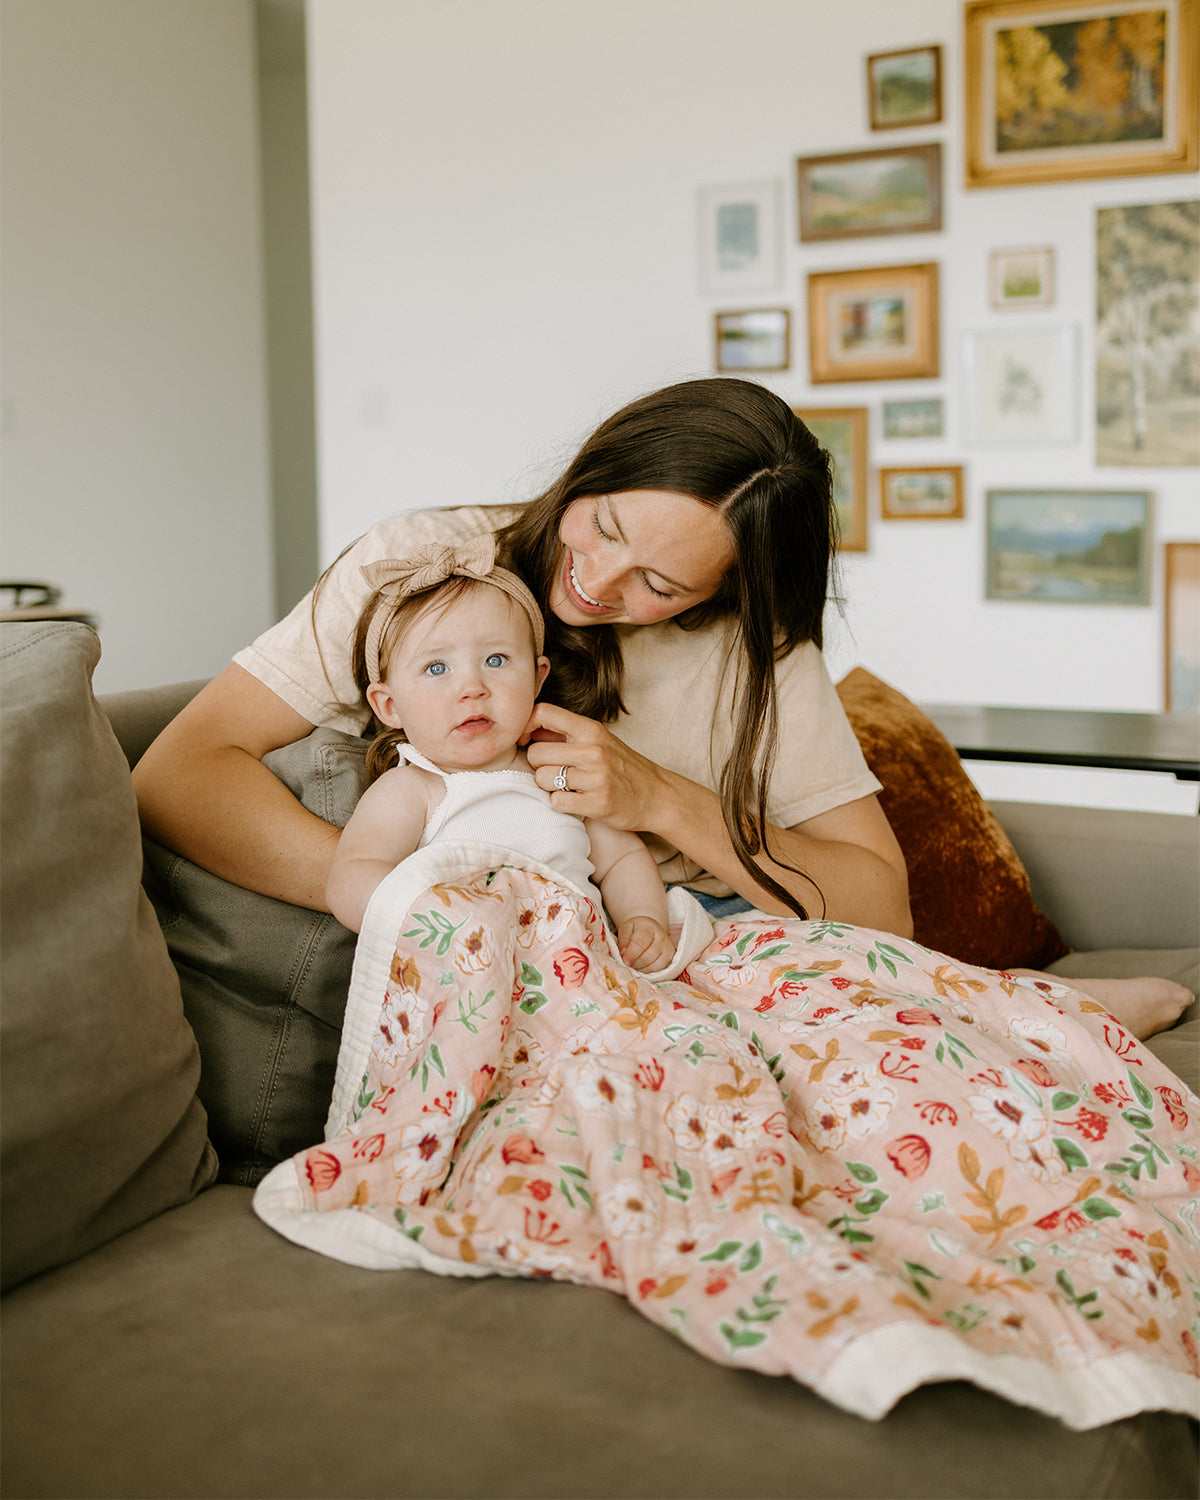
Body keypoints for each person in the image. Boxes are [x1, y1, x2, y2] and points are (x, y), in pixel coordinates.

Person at [133, 377, 1188, 1039]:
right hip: (499, 936)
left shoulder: (753, 649)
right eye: (602, 524)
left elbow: (880, 910)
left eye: (662, 587)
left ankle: (1040, 1022)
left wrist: (659, 800)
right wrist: (425, 906)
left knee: (829, 1020)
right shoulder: (423, 571)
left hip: (688, 934)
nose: (597, 583)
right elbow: (179, 772)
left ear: (722, 597)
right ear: (595, 465)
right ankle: (1040, 1019)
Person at [324, 539, 674, 973]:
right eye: (437, 668)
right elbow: (353, 879)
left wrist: (643, 919)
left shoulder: (557, 771)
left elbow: (621, 858)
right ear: (389, 705)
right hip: (473, 968)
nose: (473, 687)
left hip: (579, 969)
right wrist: (440, 922)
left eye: (496, 659)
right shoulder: (415, 787)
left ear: (537, 678)